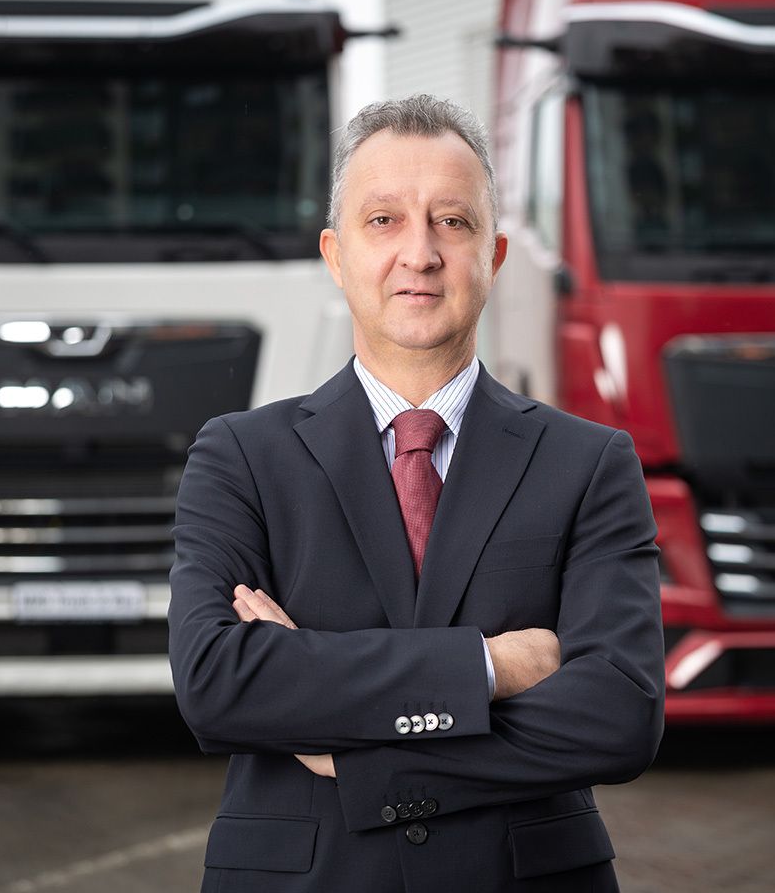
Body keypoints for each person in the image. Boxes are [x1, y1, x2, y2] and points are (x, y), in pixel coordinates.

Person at [168, 94, 664, 893]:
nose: (420, 253)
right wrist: (488, 666)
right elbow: (218, 682)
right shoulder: (240, 457)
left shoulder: (590, 463)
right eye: (384, 220)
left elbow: (619, 715)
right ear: (336, 255)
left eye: (452, 222)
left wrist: (359, 753)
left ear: (494, 255)